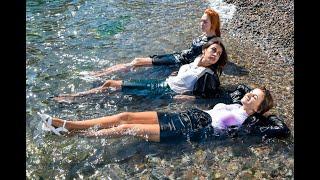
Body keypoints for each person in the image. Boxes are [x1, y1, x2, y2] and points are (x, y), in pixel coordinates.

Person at [39, 84, 290, 142]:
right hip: (187, 115)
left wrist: (262, 114)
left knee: (128, 129)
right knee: (124, 116)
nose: (249, 95)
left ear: (259, 108)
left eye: (254, 98)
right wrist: (252, 94)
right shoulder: (236, 104)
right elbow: (240, 89)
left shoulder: (250, 121)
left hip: (192, 128)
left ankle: (73, 135)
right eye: (251, 93)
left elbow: (282, 129)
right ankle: (71, 124)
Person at [54, 39, 228, 102]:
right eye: (213, 50)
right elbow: (186, 73)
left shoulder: (209, 75)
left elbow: (209, 95)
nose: (215, 55)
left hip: (164, 90)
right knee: (113, 87)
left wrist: (185, 98)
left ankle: (74, 98)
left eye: (219, 54)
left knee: (111, 85)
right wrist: (176, 74)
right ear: (204, 50)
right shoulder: (196, 60)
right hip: (163, 83)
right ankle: (77, 97)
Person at [89, 8, 222, 77]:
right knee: (136, 62)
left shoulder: (214, 42)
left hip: (178, 62)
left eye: (205, 21)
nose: (201, 24)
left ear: (213, 23)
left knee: (136, 62)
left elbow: (212, 64)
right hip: (177, 56)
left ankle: (99, 74)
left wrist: (183, 72)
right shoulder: (206, 35)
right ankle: (100, 73)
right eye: (201, 20)